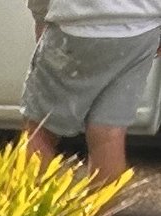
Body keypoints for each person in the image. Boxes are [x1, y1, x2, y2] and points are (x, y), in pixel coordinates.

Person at [24, 0, 161, 187]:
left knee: (42, 130)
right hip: (141, 29)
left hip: (76, 22)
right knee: (109, 134)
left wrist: (40, 15)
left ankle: (29, 213)